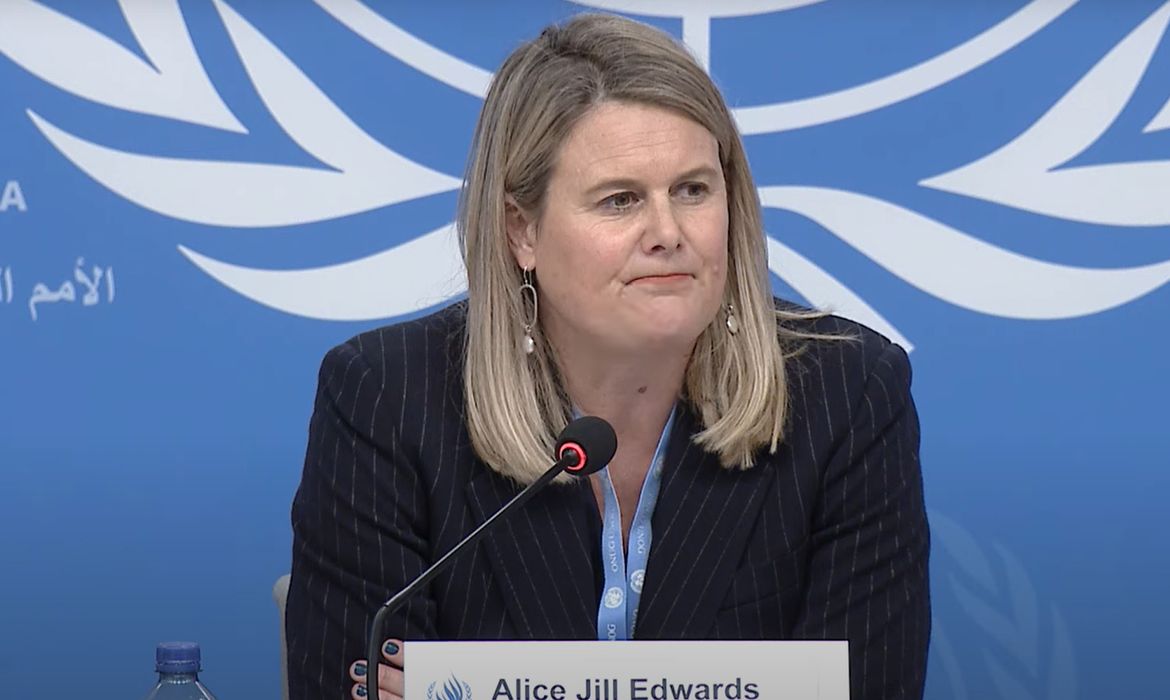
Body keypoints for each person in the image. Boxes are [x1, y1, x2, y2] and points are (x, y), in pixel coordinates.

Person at [285, 13, 930, 700]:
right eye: (620, 200)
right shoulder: (387, 398)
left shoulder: (848, 393)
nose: (667, 232)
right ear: (522, 230)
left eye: (692, 190)